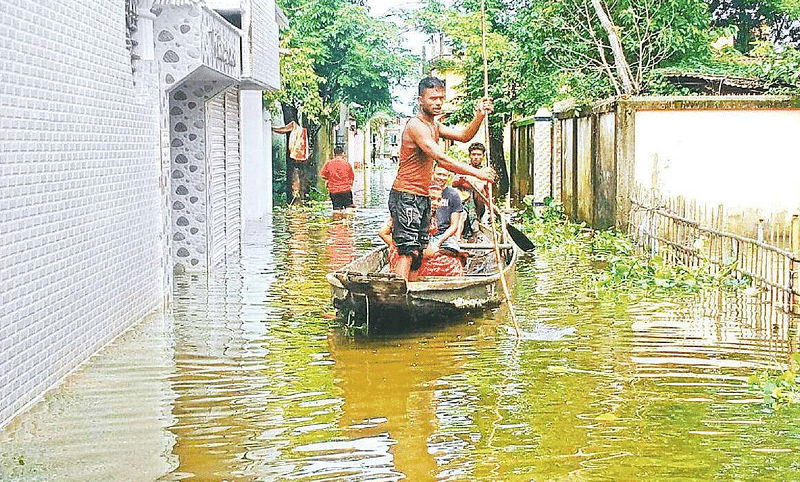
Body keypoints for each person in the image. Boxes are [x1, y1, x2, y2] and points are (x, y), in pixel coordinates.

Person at [388, 76, 496, 280]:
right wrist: (477, 172)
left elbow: (464, 136)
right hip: (406, 196)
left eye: (441, 98)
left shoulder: (435, 126)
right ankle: (397, 296)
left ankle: (409, 291)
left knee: (419, 252)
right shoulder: (416, 126)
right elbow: (441, 158)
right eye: (432, 98)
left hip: (423, 197)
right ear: (420, 100)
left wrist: (480, 116)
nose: (438, 103)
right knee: (407, 251)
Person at [453, 142, 491, 240]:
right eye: (473, 154)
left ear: (483, 156)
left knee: (480, 188)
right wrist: (461, 180)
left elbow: (488, 194)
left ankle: (476, 220)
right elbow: (454, 184)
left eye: (479, 155)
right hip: (464, 204)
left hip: (479, 207)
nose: (476, 157)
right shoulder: (464, 169)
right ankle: (468, 232)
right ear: (470, 155)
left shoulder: (486, 172)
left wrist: (492, 212)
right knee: (465, 198)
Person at [429, 166, 464, 256]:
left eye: (444, 175)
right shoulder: (425, 190)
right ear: (433, 174)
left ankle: (437, 252)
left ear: (448, 177)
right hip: (426, 233)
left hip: (444, 234)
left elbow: (454, 225)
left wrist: (439, 242)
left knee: (453, 248)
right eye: (438, 174)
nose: (441, 177)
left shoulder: (453, 194)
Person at [320, 145, 355, 213]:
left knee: (336, 211)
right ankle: (348, 223)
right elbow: (352, 177)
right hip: (346, 191)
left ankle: (336, 223)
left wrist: (329, 179)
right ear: (342, 154)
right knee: (349, 211)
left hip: (334, 191)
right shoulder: (347, 164)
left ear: (334, 154)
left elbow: (322, 175)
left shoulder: (329, 163)